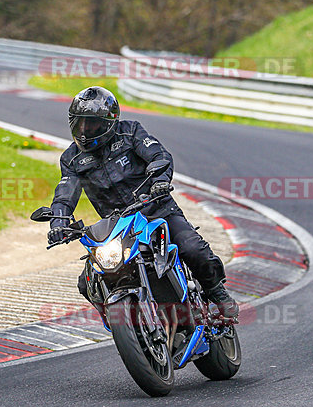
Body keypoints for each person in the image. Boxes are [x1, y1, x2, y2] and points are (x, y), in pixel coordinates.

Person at [47, 86, 239, 318]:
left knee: (193, 249)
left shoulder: (131, 132)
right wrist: (58, 220)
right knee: (87, 282)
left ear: (110, 121)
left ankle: (216, 291)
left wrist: (159, 180)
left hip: (157, 210)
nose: (85, 131)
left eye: (92, 124)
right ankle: (124, 322)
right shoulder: (72, 159)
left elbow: (159, 156)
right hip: (117, 226)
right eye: (80, 124)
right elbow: (65, 190)